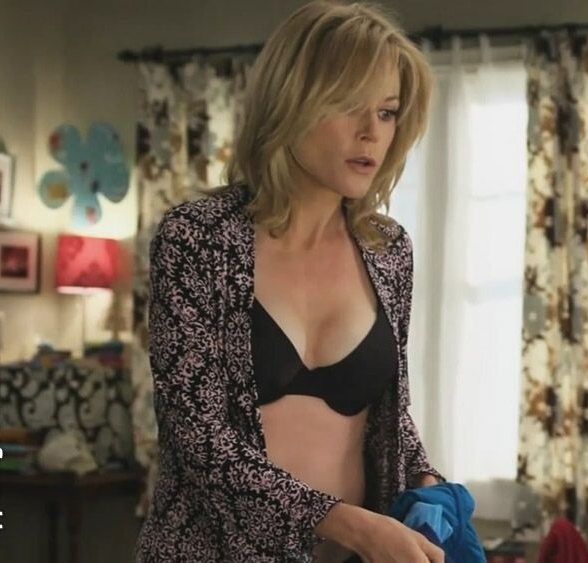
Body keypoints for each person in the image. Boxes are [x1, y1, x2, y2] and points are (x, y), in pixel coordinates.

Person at [134, 2, 446, 562]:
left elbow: (387, 415)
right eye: (349, 106)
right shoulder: (198, 238)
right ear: (290, 102)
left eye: (387, 112)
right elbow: (201, 443)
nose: (371, 133)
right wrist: (354, 526)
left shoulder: (388, 250)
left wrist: (427, 481)